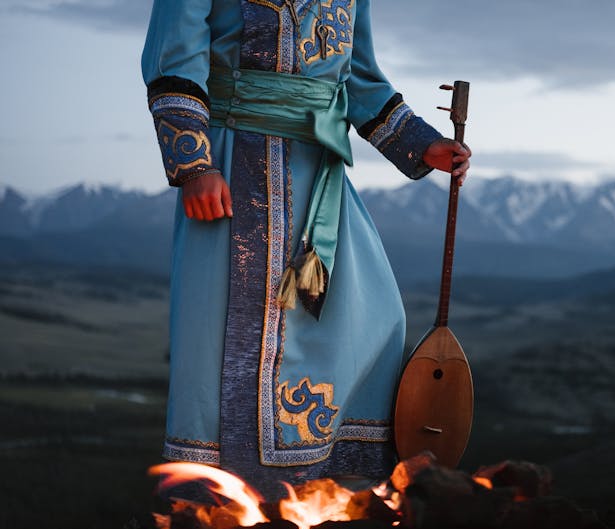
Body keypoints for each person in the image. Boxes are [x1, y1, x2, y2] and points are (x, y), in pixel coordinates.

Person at [142, 0, 470, 500]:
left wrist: (421, 144)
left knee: (379, 317)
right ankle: (224, 500)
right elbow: (175, 55)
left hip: (319, 177)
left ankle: (328, 487)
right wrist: (194, 164)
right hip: (231, 170)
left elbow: (357, 77)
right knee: (227, 335)